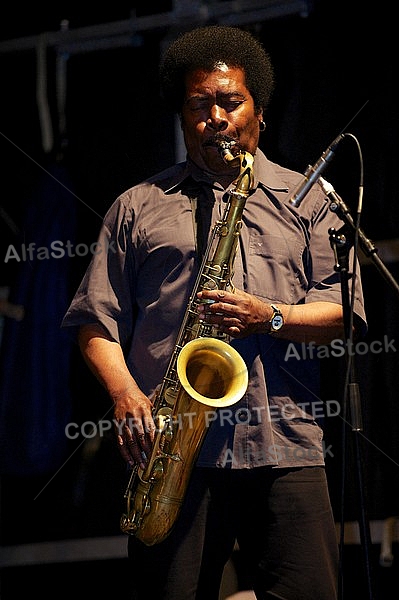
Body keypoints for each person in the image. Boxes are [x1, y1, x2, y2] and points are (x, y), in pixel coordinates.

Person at [62, 24, 367, 600]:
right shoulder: (138, 206)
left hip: (284, 441)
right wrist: (127, 397)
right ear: (182, 119)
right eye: (199, 104)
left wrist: (270, 316)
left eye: (230, 102)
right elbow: (95, 321)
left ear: (259, 111)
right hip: (175, 446)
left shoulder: (309, 199)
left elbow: (343, 312)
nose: (216, 118)